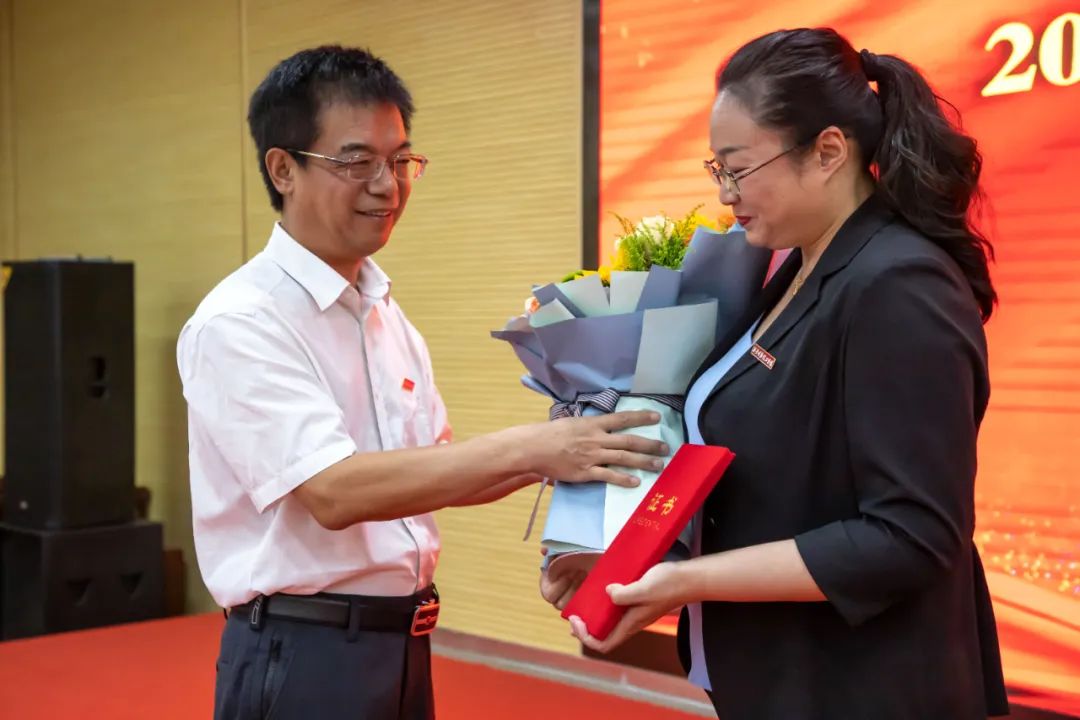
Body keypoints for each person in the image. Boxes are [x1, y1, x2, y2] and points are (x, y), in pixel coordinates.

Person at [177, 45, 667, 720]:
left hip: (401, 647)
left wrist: (577, 453)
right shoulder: (241, 320)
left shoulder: (384, 313)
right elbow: (334, 491)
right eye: (357, 162)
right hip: (302, 654)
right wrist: (536, 449)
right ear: (283, 169)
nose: (387, 185)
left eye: (401, 160)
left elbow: (435, 472)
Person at [546, 27, 1009, 719]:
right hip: (783, 675)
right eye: (717, 169)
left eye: (738, 168)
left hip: (865, 686)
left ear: (828, 152)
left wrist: (687, 581)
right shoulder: (799, 266)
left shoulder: (898, 285)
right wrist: (627, 555)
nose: (725, 194)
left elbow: (911, 536)